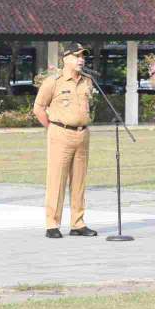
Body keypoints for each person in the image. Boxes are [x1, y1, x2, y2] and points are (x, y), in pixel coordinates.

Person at [33, 42, 98, 239]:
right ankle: (52, 224)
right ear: (66, 59)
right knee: (57, 180)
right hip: (60, 133)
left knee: (79, 181)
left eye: (83, 56)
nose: (81, 60)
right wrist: (53, 128)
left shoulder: (87, 81)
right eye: (77, 56)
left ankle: (78, 223)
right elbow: (38, 108)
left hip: (82, 134)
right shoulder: (53, 82)